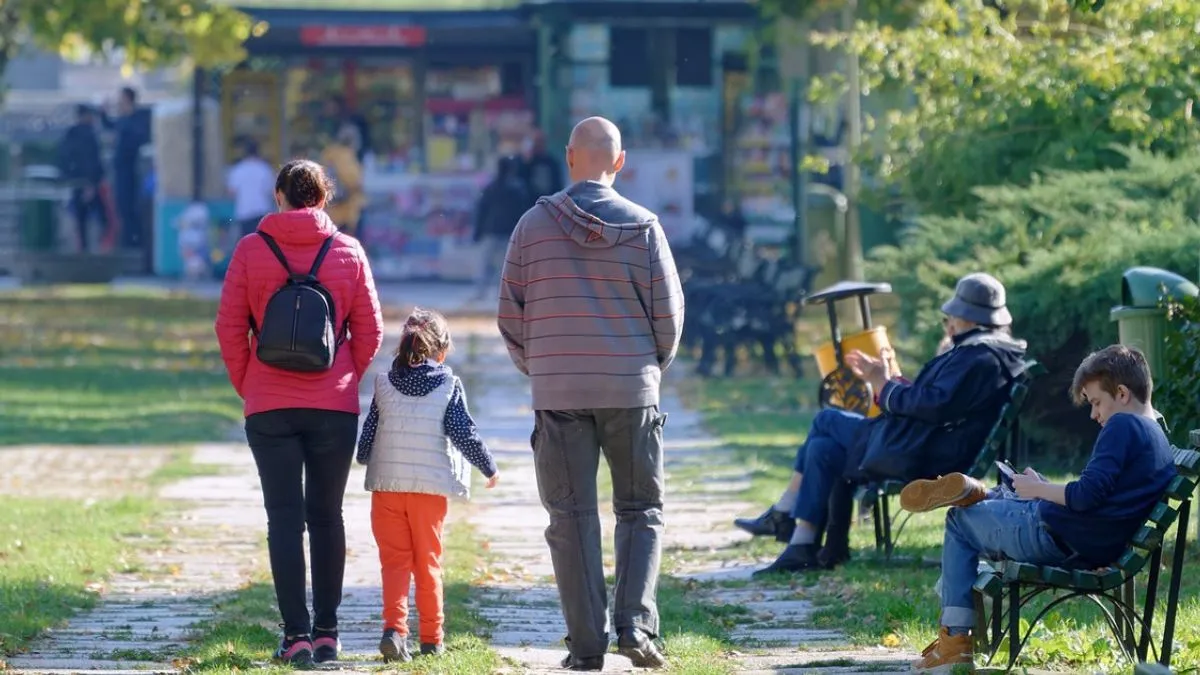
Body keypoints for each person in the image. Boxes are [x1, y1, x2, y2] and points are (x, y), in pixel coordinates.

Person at [497, 116, 684, 671]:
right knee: (640, 509)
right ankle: (635, 627)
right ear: (619, 162)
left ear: (569, 157)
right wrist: (648, 369)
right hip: (631, 388)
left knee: (570, 516)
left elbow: (511, 315)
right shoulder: (645, 226)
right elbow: (669, 317)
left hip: (558, 392)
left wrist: (545, 369)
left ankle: (585, 647)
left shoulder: (531, 227)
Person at [900, 344, 1176, 672]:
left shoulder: (1123, 426)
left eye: (1097, 403)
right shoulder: (1156, 435)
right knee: (1014, 497)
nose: (1094, 414)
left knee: (959, 522)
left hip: (1061, 538)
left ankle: (955, 642)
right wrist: (1042, 489)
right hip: (1083, 539)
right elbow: (1103, 498)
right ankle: (990, 494)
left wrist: (1040, 490)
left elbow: (1086, 495)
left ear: (1122, 393)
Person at [737, 273, 1028, 575]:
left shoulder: (978, 356)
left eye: (950, 316)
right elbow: (934, 401)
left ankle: (785, 513)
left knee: (826, 420)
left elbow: (934, 407)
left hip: (924, 453)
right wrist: (887, 380)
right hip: (925, 444)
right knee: (825, 448)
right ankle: (805, 545)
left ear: (966, 317)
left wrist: (883, 385)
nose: (949, 322)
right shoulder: (990, 353)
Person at [215, 159, 384, 666]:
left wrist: (252, 384)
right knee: (327, 516)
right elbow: (370, 331)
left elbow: (229, 327)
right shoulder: (348, 251)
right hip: (333, 406)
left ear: (278, 195)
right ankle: (328, 631)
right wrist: (341, 378)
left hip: (269, 406)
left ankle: (296, 636)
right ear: (325, 197)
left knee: (284, 519)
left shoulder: (250, 249)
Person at [356, 308, 500, 662]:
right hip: (428, 493)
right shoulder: (448, 385)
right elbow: (463, 432)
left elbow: (368, 439)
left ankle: (394, 631)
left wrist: (364, 456)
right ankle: (432, 639)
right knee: (428, 562)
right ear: (442, 351)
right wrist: (488, 467)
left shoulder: (384, 384)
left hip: (386, 489)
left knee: (394, 562)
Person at [472, 156, 530, 300]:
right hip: (509, 232)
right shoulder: (517, 189)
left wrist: (478, 231)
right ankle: (502, 295)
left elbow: (482, 211)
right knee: (506, 267)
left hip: (493, 231)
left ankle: (481, 293)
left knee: (487, 265)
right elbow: (523, 213)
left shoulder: (491, 188)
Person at [101, 86, 150, 249]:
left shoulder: (137, 120)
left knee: (130, 208)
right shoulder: (123, 120)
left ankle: (134, 244)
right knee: (121, 207)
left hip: (131, 171)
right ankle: (127, 242)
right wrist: (103, 113)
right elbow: (110, 124)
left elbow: (136, 140)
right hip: (120, 171)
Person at [57, 104, 106, 252]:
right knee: (99, 218)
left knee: (80, 219)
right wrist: (91, 183)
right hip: (88, 183)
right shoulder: (88, 135)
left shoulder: (70, 134)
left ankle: (82, 248)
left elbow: (63, 158)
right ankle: (93, 249)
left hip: (75, 182)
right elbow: (91, 161)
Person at [320, 124, 366, 237]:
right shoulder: (347, 157)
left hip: (331, 211)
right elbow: (353, 182)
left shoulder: (328, 154)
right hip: (348, 211)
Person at [226, 137, 277, 238]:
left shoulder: (237, 170)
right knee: (262, 244)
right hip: (262, 212)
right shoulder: (265, 169)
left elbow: (231, 192)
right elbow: (271, 191)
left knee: (247, 245)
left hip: (244, 212)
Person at [519, 129, 564, 204]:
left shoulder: (552, 163)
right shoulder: (527, 162)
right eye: (536, 141)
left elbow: (557, 184)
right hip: (530, 203)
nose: (538, 144)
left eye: (540, 141)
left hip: (548, 203)